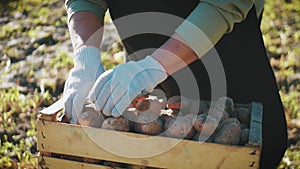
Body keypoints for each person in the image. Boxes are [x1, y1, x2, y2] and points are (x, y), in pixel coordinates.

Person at [63, 0, 287, 168]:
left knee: (263, 146)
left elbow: (225, 3)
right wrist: (86, 57)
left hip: (227, 49)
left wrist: (154, 67)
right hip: (146, 62)